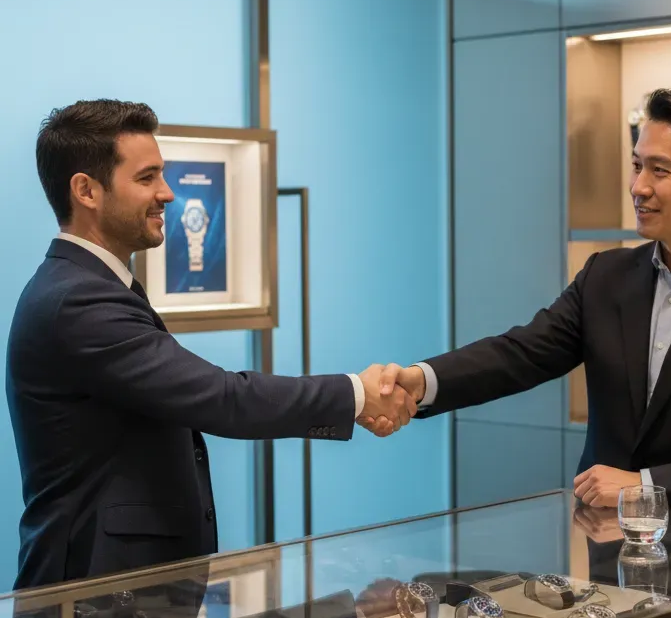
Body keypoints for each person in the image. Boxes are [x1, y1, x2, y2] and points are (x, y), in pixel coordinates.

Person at [8, 100, 415, 588]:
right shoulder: (78, 301)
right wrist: (357, 394)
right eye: (147, 178)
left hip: (118, 601)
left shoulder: (88, 288)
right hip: (90, 606)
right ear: (86, 190)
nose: (168, 193)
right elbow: (223, 398)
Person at [369, 89, 671, 506]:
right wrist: (420, 380)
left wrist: (645, 484)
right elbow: (520, 354)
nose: (638, 186)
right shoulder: (606, 274)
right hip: (607, 552)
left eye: (660, 170)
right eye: (637, 164)